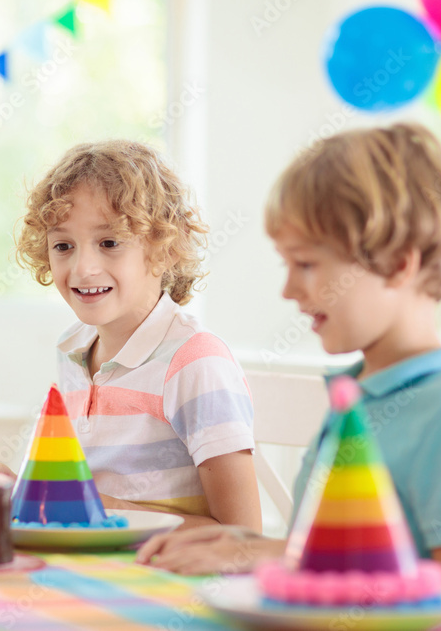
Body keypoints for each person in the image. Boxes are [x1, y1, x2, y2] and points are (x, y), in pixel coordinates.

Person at [137, 123, 441, 587]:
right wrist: (249, 547)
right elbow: (330, 556)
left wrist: (276, 554)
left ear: (397, 264)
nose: (288, 290)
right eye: (287, 264)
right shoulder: (358, 394)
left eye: (306, 264)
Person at [14, 139, 262, 531]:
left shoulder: (195, 361)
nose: (83, 268)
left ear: (166, 250)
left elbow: (242, 534)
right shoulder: (71, 351)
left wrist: (107, 508)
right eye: (63, 245)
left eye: (109, 243)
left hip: (164, 570)